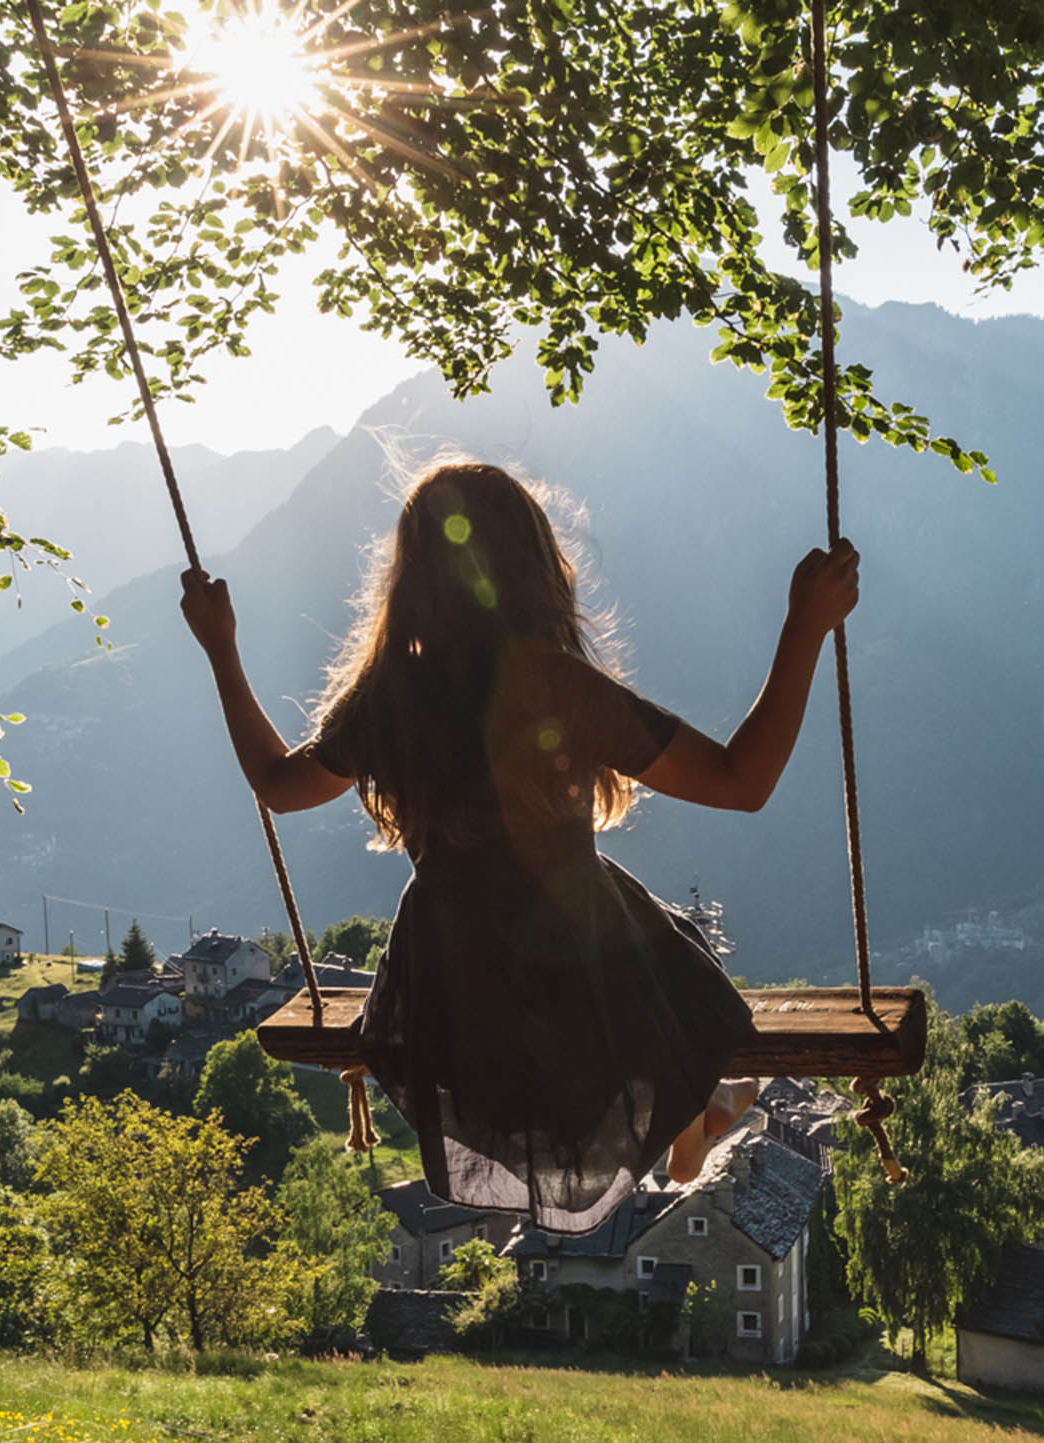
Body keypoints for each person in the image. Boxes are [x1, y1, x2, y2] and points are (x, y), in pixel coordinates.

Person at [183, 460, 858, 1233]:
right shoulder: (557, 687)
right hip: (576, 972)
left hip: (452, 989)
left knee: (587, 988)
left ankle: (697, 1106)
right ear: (535, 566)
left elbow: (278, 784)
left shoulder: (392, 697)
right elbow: (743, 780)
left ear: (410, 581)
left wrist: (220, 650)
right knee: (672, 965)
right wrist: (804, 627)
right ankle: (698, 1106)